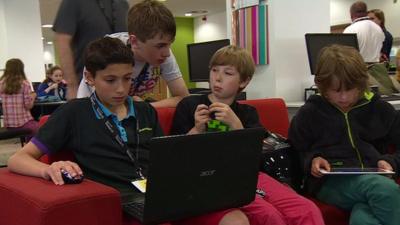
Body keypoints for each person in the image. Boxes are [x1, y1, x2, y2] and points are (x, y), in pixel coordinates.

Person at [7, 37, 251, 225]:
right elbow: (18, 159)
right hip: (125, 200)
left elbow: (167, 157)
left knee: (236, 219)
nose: (121, 89)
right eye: (110, 80)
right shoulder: (73, 114)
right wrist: (48, 168)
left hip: (165, 192)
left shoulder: (145, 111)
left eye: (127, 78)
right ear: (90, 77)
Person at [170, 45, 325, 225]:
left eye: (228, 73)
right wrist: (197, 130)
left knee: (307, 210)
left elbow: (255, 158)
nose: (218, 77)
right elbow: (174, 156)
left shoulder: (247, 113)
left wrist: (236, 126)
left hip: (248, 176)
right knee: (268, 216)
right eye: (214, 70)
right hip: (207, 179)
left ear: (243, 81)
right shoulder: (189, 106)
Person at [289, 44, 400, 225]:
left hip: (374, 174)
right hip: (330, 182)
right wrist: (312, 160)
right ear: (322, 86)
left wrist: (391, 161)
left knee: (363, 217)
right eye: (336, 90)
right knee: (384, 190)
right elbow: (295, 151)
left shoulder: (379, 109)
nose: (344, 98)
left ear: (361, 84)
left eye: (350, 89)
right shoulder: (310, 113)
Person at [77, 0, 189, 108]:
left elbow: (183, 98)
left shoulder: (162, 54)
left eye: (169, 44)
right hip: (91, 111)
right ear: (134, 41)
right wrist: (138, 108)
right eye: (160, 46)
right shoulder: (106, 51)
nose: (167, 54)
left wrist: (146, 107)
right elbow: (107, 106)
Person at [53, 0, 129, 99]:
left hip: (120, 86)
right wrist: (72, 86)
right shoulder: (73, 2)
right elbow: (62, 40)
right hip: (86, 87)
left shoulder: (122, 4)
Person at [0, 58, 39, 139]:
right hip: (23, 124)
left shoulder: (1, 83)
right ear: (21, 69)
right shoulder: (24, 83)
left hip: (8, 125)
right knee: (40, 129)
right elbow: (28, 106)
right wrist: (33, 97)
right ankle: (30, 149)